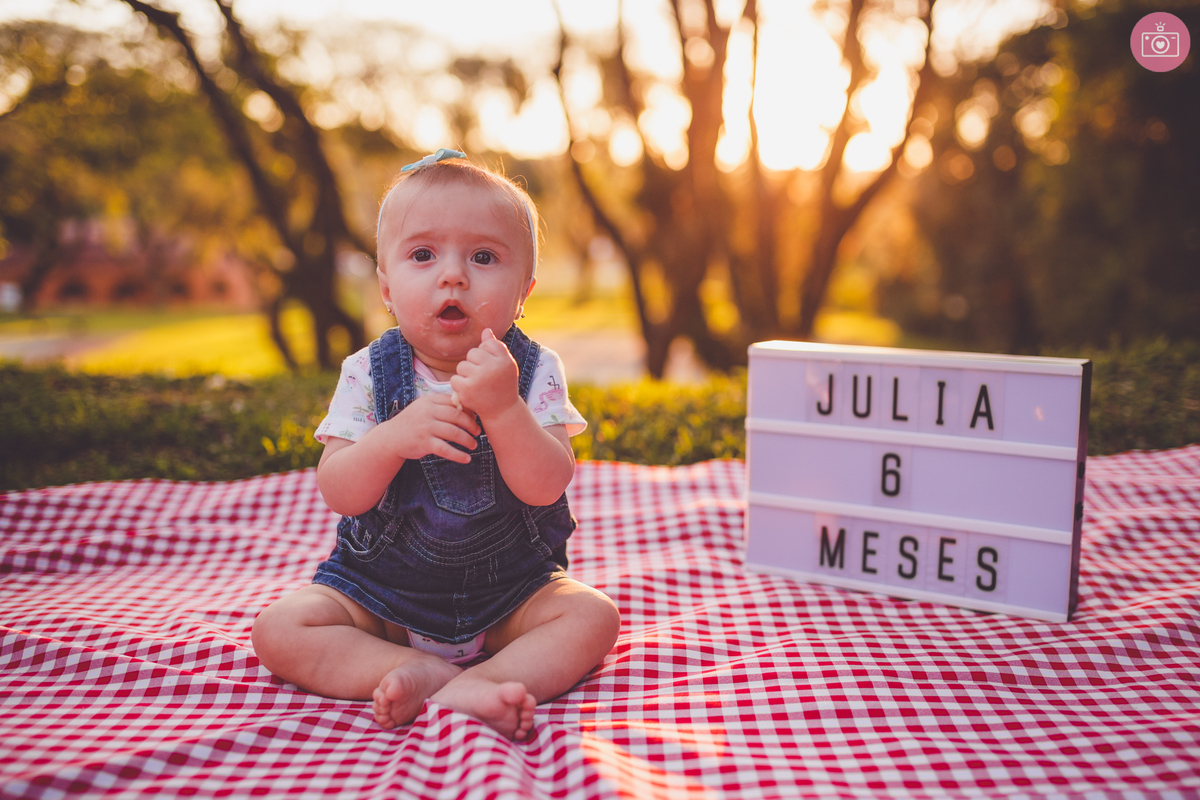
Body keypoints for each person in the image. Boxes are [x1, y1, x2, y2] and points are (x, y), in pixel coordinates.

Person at [251, 150, 621, 741]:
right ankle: (410, 670)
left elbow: (548, 482)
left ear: (523, 291)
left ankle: (489, 679)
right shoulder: (367, 373)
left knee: (592, 616)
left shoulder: (533, 370)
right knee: (279, 628)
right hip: (380, 597)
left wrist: (503, 408)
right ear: (387, 288)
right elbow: (340, 491)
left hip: (511, 598)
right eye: (423, 255)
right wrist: (393, 437)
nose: (453, 275)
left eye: (483, 257)